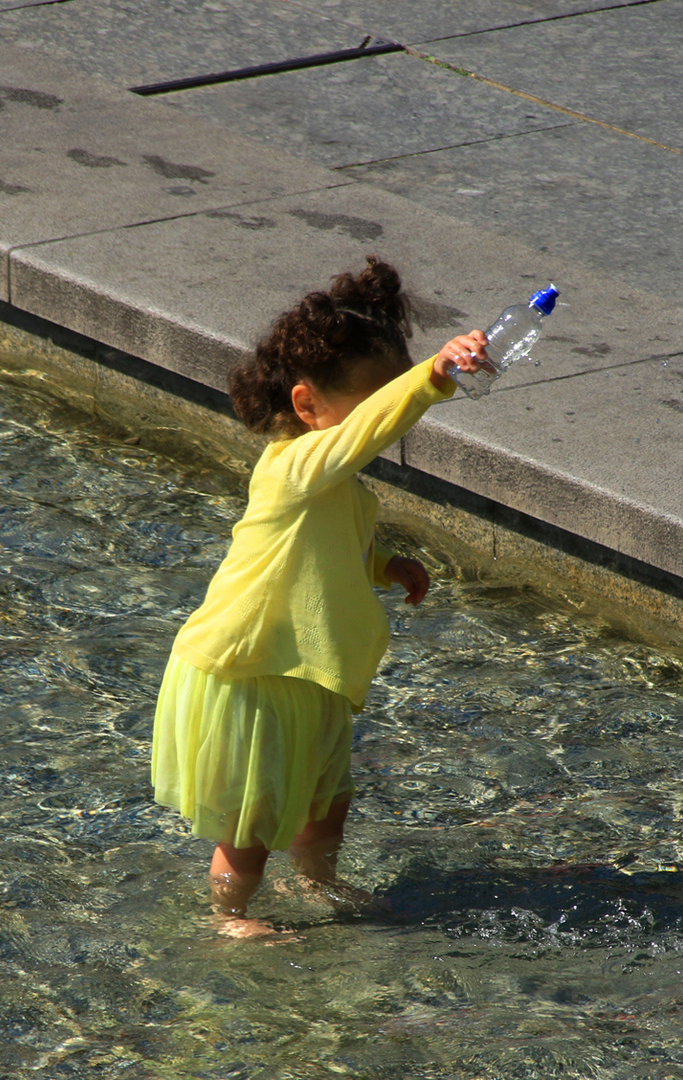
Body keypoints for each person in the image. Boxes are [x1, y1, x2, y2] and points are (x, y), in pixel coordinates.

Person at [150, 256, 490, 935]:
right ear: (306, 405)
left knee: (327, 803)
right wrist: (429, 378)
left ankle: (317, 886)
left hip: (312, 671)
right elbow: (369, 432)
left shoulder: (331, 482)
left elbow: (325, 553)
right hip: (253, 671)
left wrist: (386, 567)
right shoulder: (293, 467)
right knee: (250, 820)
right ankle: (229, 915)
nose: (382, 422)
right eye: (373, 402)